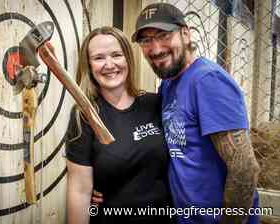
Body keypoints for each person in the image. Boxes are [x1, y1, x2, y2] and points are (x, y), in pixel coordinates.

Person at [130, 2, 260, 224]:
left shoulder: (208, 81)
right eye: (146, 40)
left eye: (163, 35)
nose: (156, 48)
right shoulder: (170, 85)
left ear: (186, 34)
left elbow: (244, 168)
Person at [65, 26, 172, 224]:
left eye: (116, 55)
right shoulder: (85, 116)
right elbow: (79, 190)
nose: (109, 64)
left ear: (127, 59)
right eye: (98, 58)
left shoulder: (155, 103)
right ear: (89, 65)